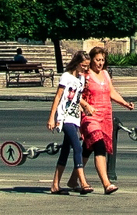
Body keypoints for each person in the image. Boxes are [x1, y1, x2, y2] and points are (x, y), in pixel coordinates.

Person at [83, 46, 136, 195]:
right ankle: (106, 184)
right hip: (90, 117)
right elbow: (75, 94)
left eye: (102, 60)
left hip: (105, 116)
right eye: (97, 60)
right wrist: (85, 106)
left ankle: (74, 178)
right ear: (91, 60)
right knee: (99, 146)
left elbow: (111, 92)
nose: (100, 63)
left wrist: (125, 103)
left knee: (87, 148)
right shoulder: (86, 75)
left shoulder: (105, 74)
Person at [48, 51, 92, 195]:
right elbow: (58, 97)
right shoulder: (66, 77)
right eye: (84, 66)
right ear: (77, 63)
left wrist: (84, 108)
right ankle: (83, 182)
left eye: (87, 66)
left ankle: (55, 185)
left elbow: (76, 99)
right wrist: (52, 117)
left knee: (65, 151)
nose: (86, 69)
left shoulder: (81, 79)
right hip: (64, 117)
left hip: (75, 118)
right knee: (77, 148)